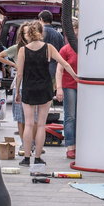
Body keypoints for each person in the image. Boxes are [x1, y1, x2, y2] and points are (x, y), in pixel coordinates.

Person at [13, 21, 77, 167]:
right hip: (45, 88)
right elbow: (65, 64)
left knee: (28, 124)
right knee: (41, 125)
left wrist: (17, 91)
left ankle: (26, 158)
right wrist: (76, 77)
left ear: (28, 33)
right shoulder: (49, 48)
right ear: (42, 32)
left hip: (29, 88)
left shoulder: (23, 50)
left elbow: (19, 74)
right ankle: (38, 157)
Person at [0, 23, 31, 153]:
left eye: (30, 32)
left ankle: (30, 143)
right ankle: (24, 143)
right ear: (21, 35)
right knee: (20, 117)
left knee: (32, 118)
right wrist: (14, 65)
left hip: (32, 84)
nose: (28, 36)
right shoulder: (17, 48)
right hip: (20, 84)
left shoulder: (36, 47)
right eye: (25, 33)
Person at [55, 19, 79, 159]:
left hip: (84, 86)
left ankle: (80, 145)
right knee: (70, 116)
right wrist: (59, 88)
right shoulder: (65, 50)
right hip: (69, 85)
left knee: (81, 117)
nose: (76, 33)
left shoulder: (87, 47)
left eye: (77, 29)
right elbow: (59, 70)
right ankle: (70, 146)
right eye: (74, 30)